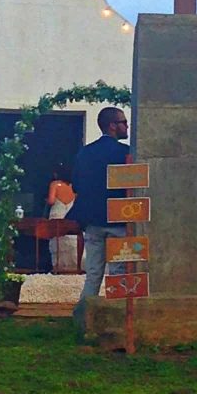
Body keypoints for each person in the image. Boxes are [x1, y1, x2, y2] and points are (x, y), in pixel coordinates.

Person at [70, 107, 130, 320]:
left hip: (92, 221)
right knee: (118, 273)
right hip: (119, 220)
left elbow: (76, 185)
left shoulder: (84, 153)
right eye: (124, 122)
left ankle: (84, 316)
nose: (127, 126)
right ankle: (117, 317)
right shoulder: (126, 153)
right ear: (112, 125)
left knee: (93, 273)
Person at [46, 165, 77, 272]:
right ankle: (73, 266)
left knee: (57, 240)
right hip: (69, 213)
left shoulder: (55, 184)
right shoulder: (72, 187)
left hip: (58, 213)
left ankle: (58, 266)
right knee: (71, 239)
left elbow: (51, 200)